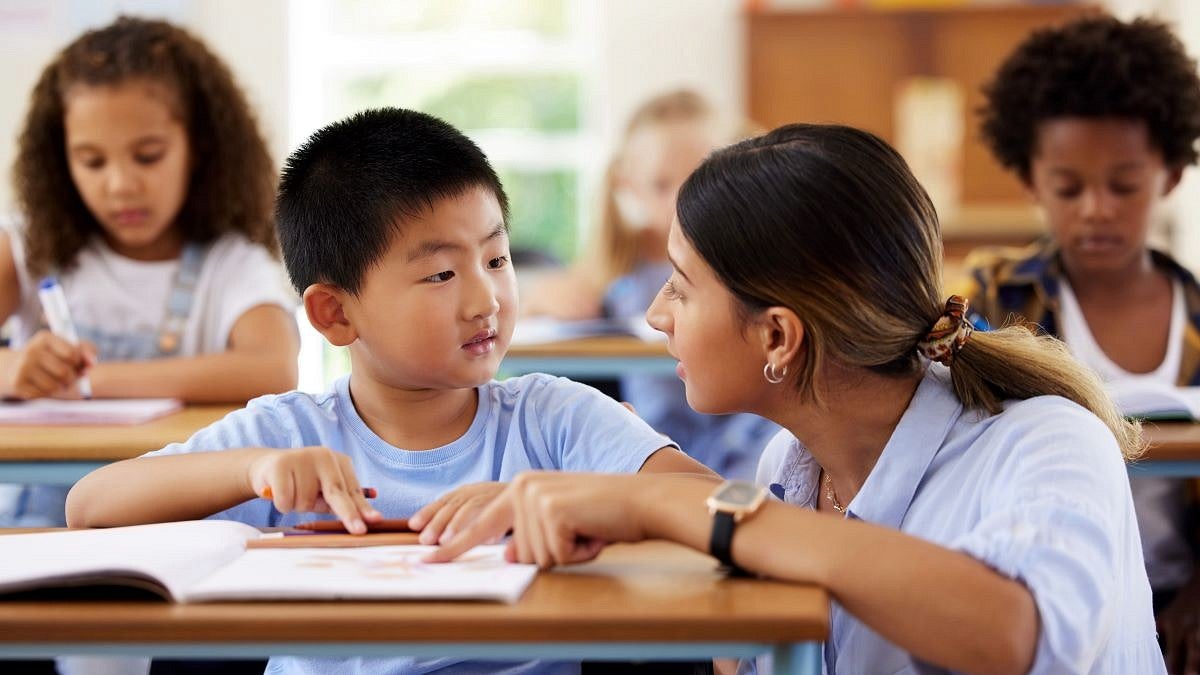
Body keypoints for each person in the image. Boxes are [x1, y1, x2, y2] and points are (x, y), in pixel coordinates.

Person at [431, 123, 1165, 674]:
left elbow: (1019, 634)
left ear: (779, 336)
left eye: (681, 287)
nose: (656, 313)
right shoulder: (797, 463)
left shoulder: (1048, 441)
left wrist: (666, 504)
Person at [67, 107, 714, 675]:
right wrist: (252, 469)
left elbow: (720, 506)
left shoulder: (555, 417)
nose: (485, 298)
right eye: (439, 273)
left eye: (496, 258)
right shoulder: (290, 435)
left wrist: (575, 500)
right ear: (334, 314)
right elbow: (89, 507)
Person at [962, 15, 1200, 673]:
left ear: (1171, 175)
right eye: (1068, 187)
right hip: (1039, 588)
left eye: (1123, 185)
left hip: (1180, 599)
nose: (1096, 207)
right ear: (1031, 180)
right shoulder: (995, 302)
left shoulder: (1197, 318)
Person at [0, 16, 298, 529]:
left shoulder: (231, 264)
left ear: (199, 148)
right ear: (58, 161)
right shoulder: (25, 248)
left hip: (169, 517)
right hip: (35, 518)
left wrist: (91, 383)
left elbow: (273, 368)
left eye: (148, 156)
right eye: (92, 162)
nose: (120, 185)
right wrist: (9, 370)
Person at [525, 90, 778, 479]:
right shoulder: (618, 268)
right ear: (629, 187)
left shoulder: (763, 259)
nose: (683, 202)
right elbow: (543, 309)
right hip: (659, 452)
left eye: (700, 179)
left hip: (756, 448)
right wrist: (541, 298)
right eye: (661, 185)